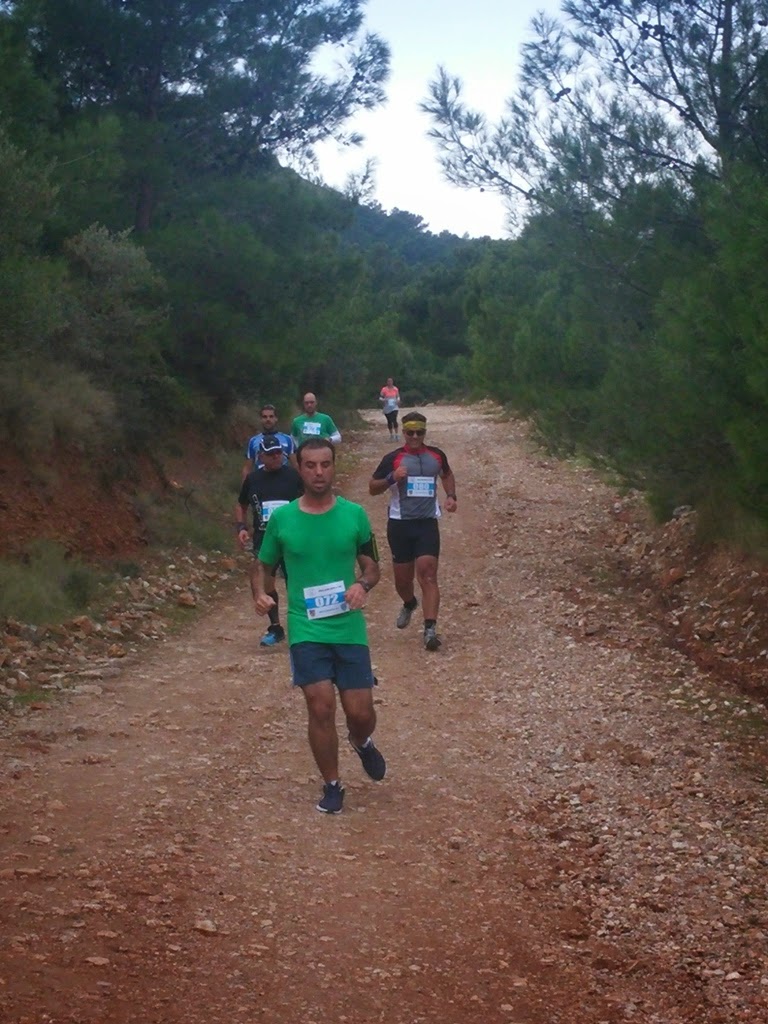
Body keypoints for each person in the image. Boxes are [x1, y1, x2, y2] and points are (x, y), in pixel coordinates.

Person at [253, 437, 385, 814]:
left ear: (334, 466)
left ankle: (362, 742)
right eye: (310, 465)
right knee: (320, 705)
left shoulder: (354, 515)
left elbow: (372, 567)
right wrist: (260, 595)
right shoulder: (283, 520)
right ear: (299, 466)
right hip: (306, 627)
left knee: (360, 713)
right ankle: (332, 784)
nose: (318, 472)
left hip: (348, 628)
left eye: (325, 464)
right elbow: (262, 565)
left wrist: (362, 584)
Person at [368, 411, 457, 651]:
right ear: (404, 432)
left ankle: (430, 629)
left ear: (425, 432)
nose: (415, 436)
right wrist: (391, 478)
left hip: (427, 523)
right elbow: (372, 488)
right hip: (400, 524)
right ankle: (409, 602)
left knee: (427, 574)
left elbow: (447, 475)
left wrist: (450, 496)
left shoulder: (436, 456)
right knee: (402, 581)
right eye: (410, 432)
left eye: (420, 432)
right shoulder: (393, 458)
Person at [236, 435, 303, 647]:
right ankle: (275, 627)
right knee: (265, 583)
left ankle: (303, 625)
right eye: (270, 454)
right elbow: (241, 504)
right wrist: (241, 527)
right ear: (261, 456)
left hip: (294, 539)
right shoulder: (253, 479)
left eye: (278, 453)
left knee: (299, 582)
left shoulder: (295, 476)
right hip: (264, 539)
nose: (276, 457)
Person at [242, 404, 297, 479]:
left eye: (271, 416)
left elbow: (295, 466)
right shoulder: (253, 441)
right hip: (261, 482)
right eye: (265, 417)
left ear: (276, 418)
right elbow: (247, 469)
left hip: (282, 481)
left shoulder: (287, 439)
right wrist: (245, 488)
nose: (268, 419)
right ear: (261, 419)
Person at [379, 377, 401, 441]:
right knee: (389, 421)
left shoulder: (395, 389)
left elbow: (398, 396)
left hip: (394, 407)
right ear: (387, 382)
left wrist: (398, 400)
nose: (390, 382)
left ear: (392, 382)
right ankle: (391, 435)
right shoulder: (384, 389)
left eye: (391, 381)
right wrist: (383, 400)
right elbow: (380, 397)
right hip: (387, 407)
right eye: (388, 381)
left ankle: (396, 434)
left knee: (394, 419)